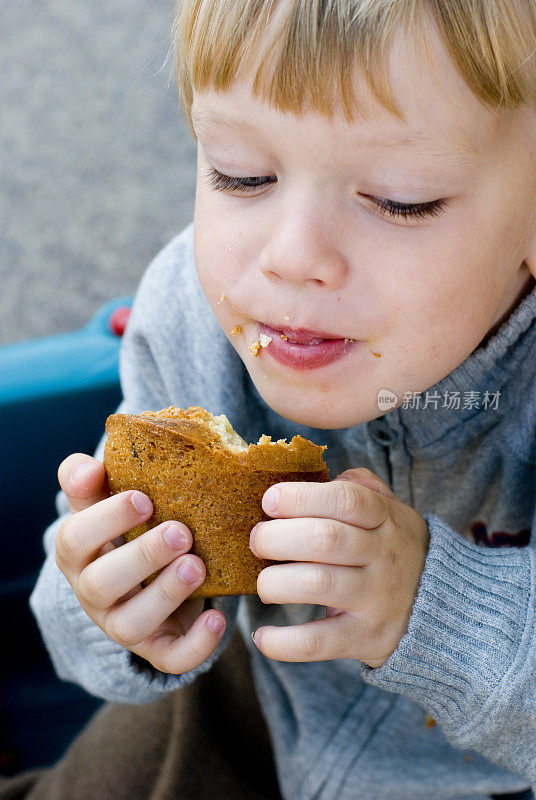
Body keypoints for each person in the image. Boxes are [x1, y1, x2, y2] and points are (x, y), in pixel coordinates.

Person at [12, 0, 536, 797]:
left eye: (400, 198)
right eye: (240, 174)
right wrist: (115, 603)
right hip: (256, 692)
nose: (293, 258)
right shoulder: (195, 314)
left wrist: (430, 609)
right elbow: (68, 623)